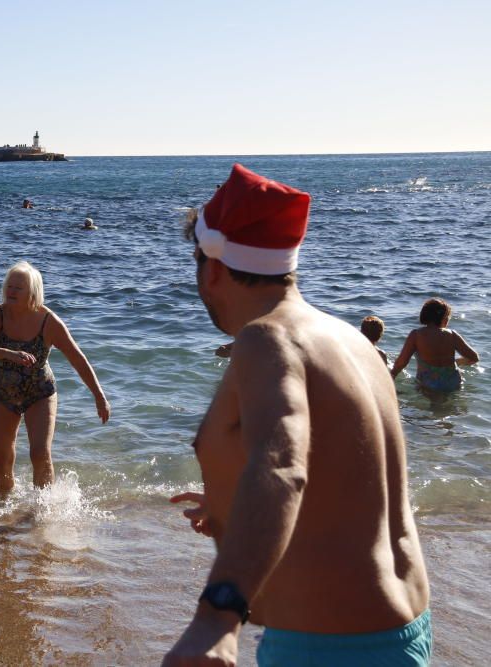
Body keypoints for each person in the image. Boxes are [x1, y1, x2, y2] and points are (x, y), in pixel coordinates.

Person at [164, 164, 430, 666]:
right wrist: (231, 500)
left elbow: (283, 465)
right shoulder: (351, 342)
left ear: (213, 267)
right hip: (404, 626)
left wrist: (216, 618)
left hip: (328, 645)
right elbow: (348, 476)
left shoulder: (265, 338)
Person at [0, 261, 110, 495]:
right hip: (1, 392)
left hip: (40, 392)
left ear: (33, 292)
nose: (11, 292)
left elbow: (78, 358)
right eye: (9, 286)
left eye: (18, 288)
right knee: (3, 458)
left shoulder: (48, 321)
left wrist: (99, 396)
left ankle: (42, 513)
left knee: (39, 453)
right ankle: (4, 512)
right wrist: (8, 353)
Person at [390, 298, 479, 393]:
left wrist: (392, 375)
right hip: (453, 381)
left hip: (429, 382)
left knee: (432, 406)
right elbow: (474, 358)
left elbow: (402, 362)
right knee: (450, 406)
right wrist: (455, 363)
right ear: (444, 318)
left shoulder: (416, 335)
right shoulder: (452, 334)